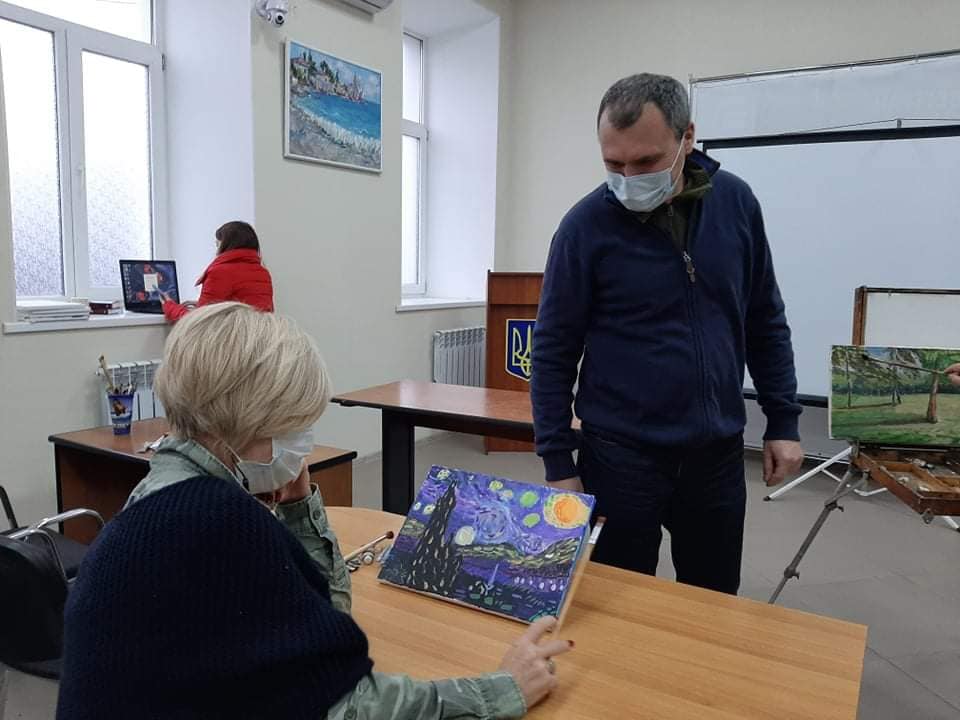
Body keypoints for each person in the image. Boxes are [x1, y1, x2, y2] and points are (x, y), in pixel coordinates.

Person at [58, 303, 571, 719]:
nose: (304, 443)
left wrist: (299, 507)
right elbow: (346, 704)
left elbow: (318, 632)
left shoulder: (161, 490)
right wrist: (500, 690)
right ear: (258, 423)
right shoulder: (220, 522)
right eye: (297, 426)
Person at [531, 73, 804, 595]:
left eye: (646, 162)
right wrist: (558, 464)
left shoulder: (737, 204)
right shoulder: (584, 227)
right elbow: (551, 352)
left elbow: (764, 318)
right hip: (619, 457)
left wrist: (783, 420)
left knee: (711, 600)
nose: (629, 178)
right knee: (615, 603)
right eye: (614, 164)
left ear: (688, 138)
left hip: (716, 456)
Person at [161, 220, 274, 322]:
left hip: (231, 337)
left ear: (226, 246)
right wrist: (200, 305)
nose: (216, 251)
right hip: (259, 336)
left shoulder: (220, 272)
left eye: (217, 245)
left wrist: (170, 307)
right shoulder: (263, 272)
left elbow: (200, 321)